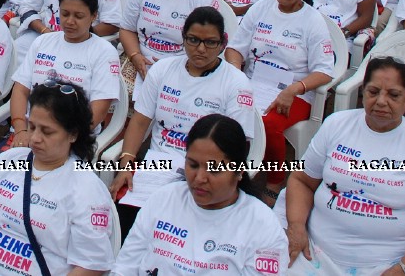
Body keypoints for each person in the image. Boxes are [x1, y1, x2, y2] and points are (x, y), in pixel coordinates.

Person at [283, 57, 405, 276]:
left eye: (393, 95)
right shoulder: (337, 125)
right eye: (373, 91)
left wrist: (402, 269)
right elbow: (302, 180)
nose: (381, 101)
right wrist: (297, 226)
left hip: (385, 266)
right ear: (363, 93)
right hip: (313, 252)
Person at [0, 80, 116, 276]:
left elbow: (92, 265)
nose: (34, 138)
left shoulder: (86, 189)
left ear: (73, 135)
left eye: (47, 131)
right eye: (32, 126)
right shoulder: (7, 160)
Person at [111, 7, 256, 234]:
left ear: (223, 43)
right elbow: (139, 121)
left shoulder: (236, 84)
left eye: (210, 42)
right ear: (183, 37)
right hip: (159, 166)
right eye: (193, 40)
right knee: (126, 225)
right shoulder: (162, 70)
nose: (200, 49)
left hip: (207, 170)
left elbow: (238, 147)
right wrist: (126, 164)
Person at [114, 114, 287, 276]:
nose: (200, 178)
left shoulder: (263, 227)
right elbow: (125, 266)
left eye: (213, 169)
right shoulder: (164, 198)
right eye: (193, 165)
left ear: (239, 171)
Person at [227, 0, 335, 200]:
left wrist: (293, 89)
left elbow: (325, 70)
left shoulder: (313, 20)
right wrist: (236, 72)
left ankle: (274, 180)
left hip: (294, 91)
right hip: (255, 82)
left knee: (269, 124)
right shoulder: (260, 9)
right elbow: (235, 49)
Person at [7, 0, 119, 150]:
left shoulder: (104, 52)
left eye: (79, 16)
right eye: (64, 14)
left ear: (94, 16)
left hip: (73, 139)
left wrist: (58, 138)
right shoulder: (43, 42)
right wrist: (20, 130)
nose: (69, 21)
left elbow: (99, 110)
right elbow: (20, 90)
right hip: (28, 133)